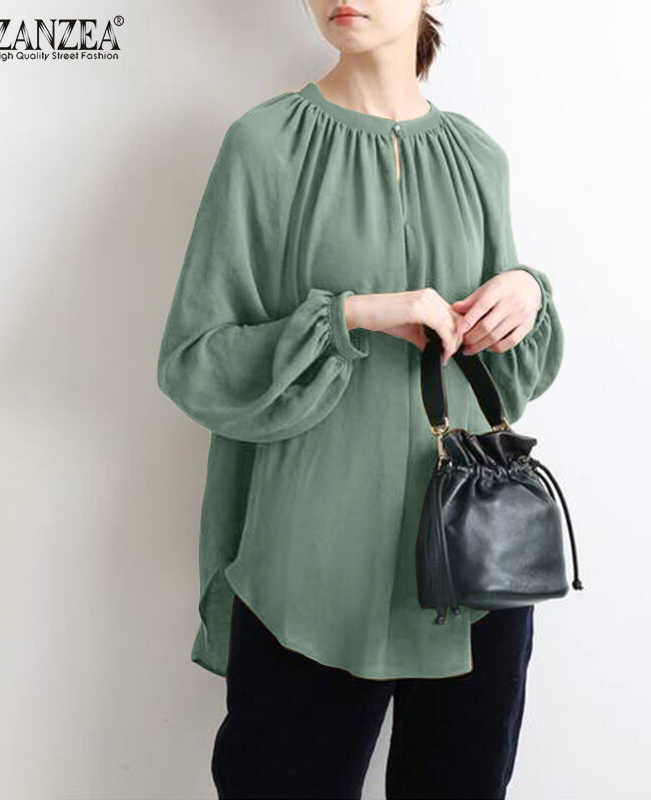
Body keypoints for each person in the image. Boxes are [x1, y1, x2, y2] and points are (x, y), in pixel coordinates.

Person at [157, 1, 565, 797]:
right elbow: (194, 361)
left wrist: (526, 294)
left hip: (477, 572)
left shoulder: (478, 157)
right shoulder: (264, 147)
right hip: (309, 573)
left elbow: (506, 378)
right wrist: (352, 315)